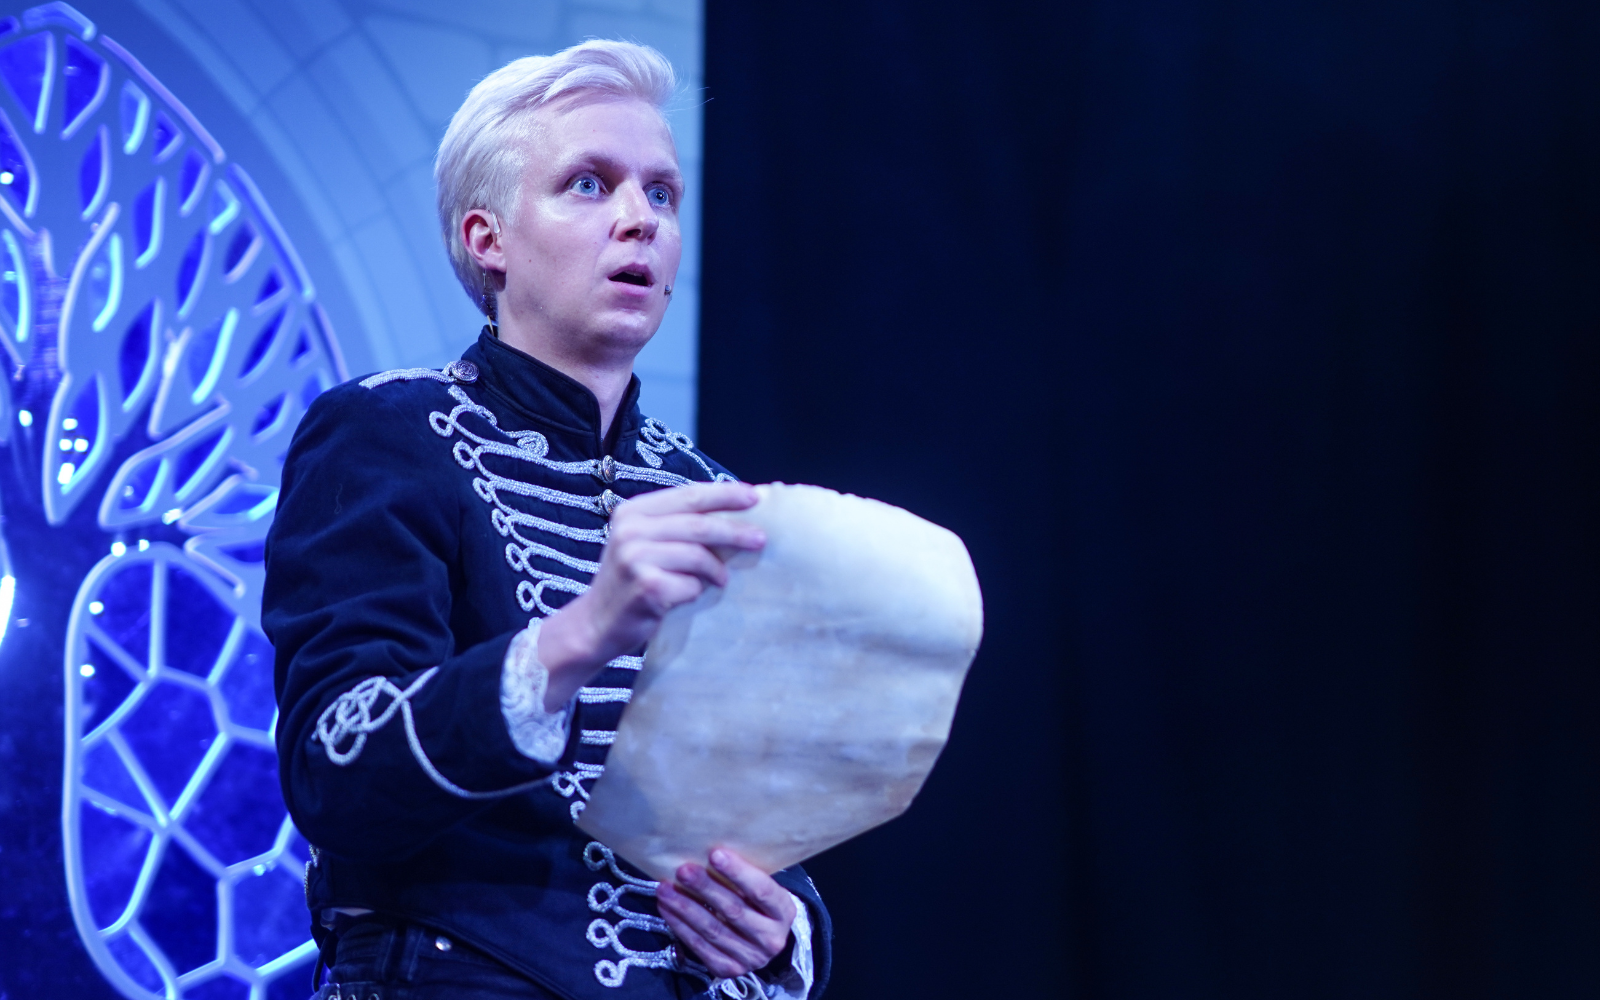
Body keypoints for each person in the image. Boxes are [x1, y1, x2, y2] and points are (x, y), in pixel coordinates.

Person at [263, 40, 830, 1000]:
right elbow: (336, 769)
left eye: (661, 193)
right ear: (487, 239)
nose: (639, 219)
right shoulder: (387, 434)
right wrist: (581, 634)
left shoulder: (708, 489)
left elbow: (752, 813)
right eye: (588, 184)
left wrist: (783, 933)